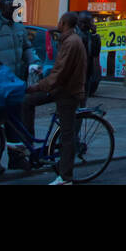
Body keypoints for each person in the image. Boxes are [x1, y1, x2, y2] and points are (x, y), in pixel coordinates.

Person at [19, 12, 87, 185]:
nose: (57, 23)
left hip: (67, 92)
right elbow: (60, 69)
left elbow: (61, 72)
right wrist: (45, 75)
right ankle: (27, 143)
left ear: (63, 23)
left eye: (59, 21)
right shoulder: (68, 39)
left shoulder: (71, 42)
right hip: (60, 87)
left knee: (67, 135)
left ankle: (65, 177)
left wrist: (39, 85)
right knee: (27, 102)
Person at [77, 12, 102, 98]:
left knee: (85, 93)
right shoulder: (75, 34)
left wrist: (94, 34)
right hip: (78, 69)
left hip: (87, 68)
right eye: (90, 21)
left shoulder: (89, 35)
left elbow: (95, 52)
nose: (93, 23)